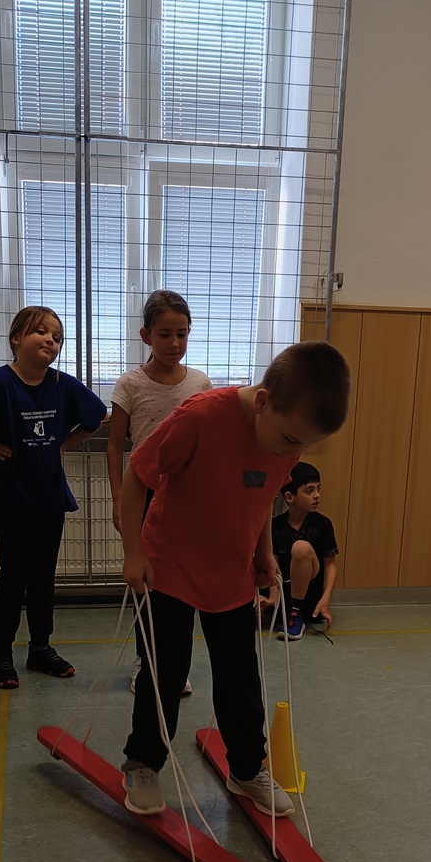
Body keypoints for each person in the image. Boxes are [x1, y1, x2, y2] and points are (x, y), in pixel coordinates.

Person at [117, 340, 351, 816]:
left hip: (231, 574)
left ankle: (246, 768)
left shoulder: (283, 437)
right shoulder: (200, 417)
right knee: (166, 673)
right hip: (169, 568)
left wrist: (263, 553)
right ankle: (143, 764)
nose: (294, 452)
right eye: (291, 440)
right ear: (262, 402)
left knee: (241, 679)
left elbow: (261, 496)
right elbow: (137, 474)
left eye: (305, 445)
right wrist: (134, 553)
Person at [0, 306, 106, 690]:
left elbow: (97, 416)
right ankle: (1, 653)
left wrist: (65, 443)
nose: (50, 341)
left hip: (51, 497)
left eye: (57, 337)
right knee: (14, 578)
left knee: (43, 578)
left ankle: (40, 647)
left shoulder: (63, 384)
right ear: (16, 338)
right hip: (12, 498)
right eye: (41, 332)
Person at [106, 289, 211, 695]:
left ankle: (174, 664)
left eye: (182, 334)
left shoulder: (200, 383)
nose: (174, 343)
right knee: (146, 581)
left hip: (187, 499)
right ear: (146, 335)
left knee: (181, 582)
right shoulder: (130, 384)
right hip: (144, 496)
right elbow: (115, 446)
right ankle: (144, 661)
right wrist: (120, 499)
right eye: (165, 334)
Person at [269, 462, 339, 641]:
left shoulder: (323, 524)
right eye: (309, 491)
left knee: (301, 548)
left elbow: (330, 566)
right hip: (284, 592)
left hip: (310, 597)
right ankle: (285, 611)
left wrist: (326, 599)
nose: (317, 495)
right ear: (290, 497)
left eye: (318, 489)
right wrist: (272, 598)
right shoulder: (275, 526)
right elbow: (273, 566)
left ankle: (296, 612)